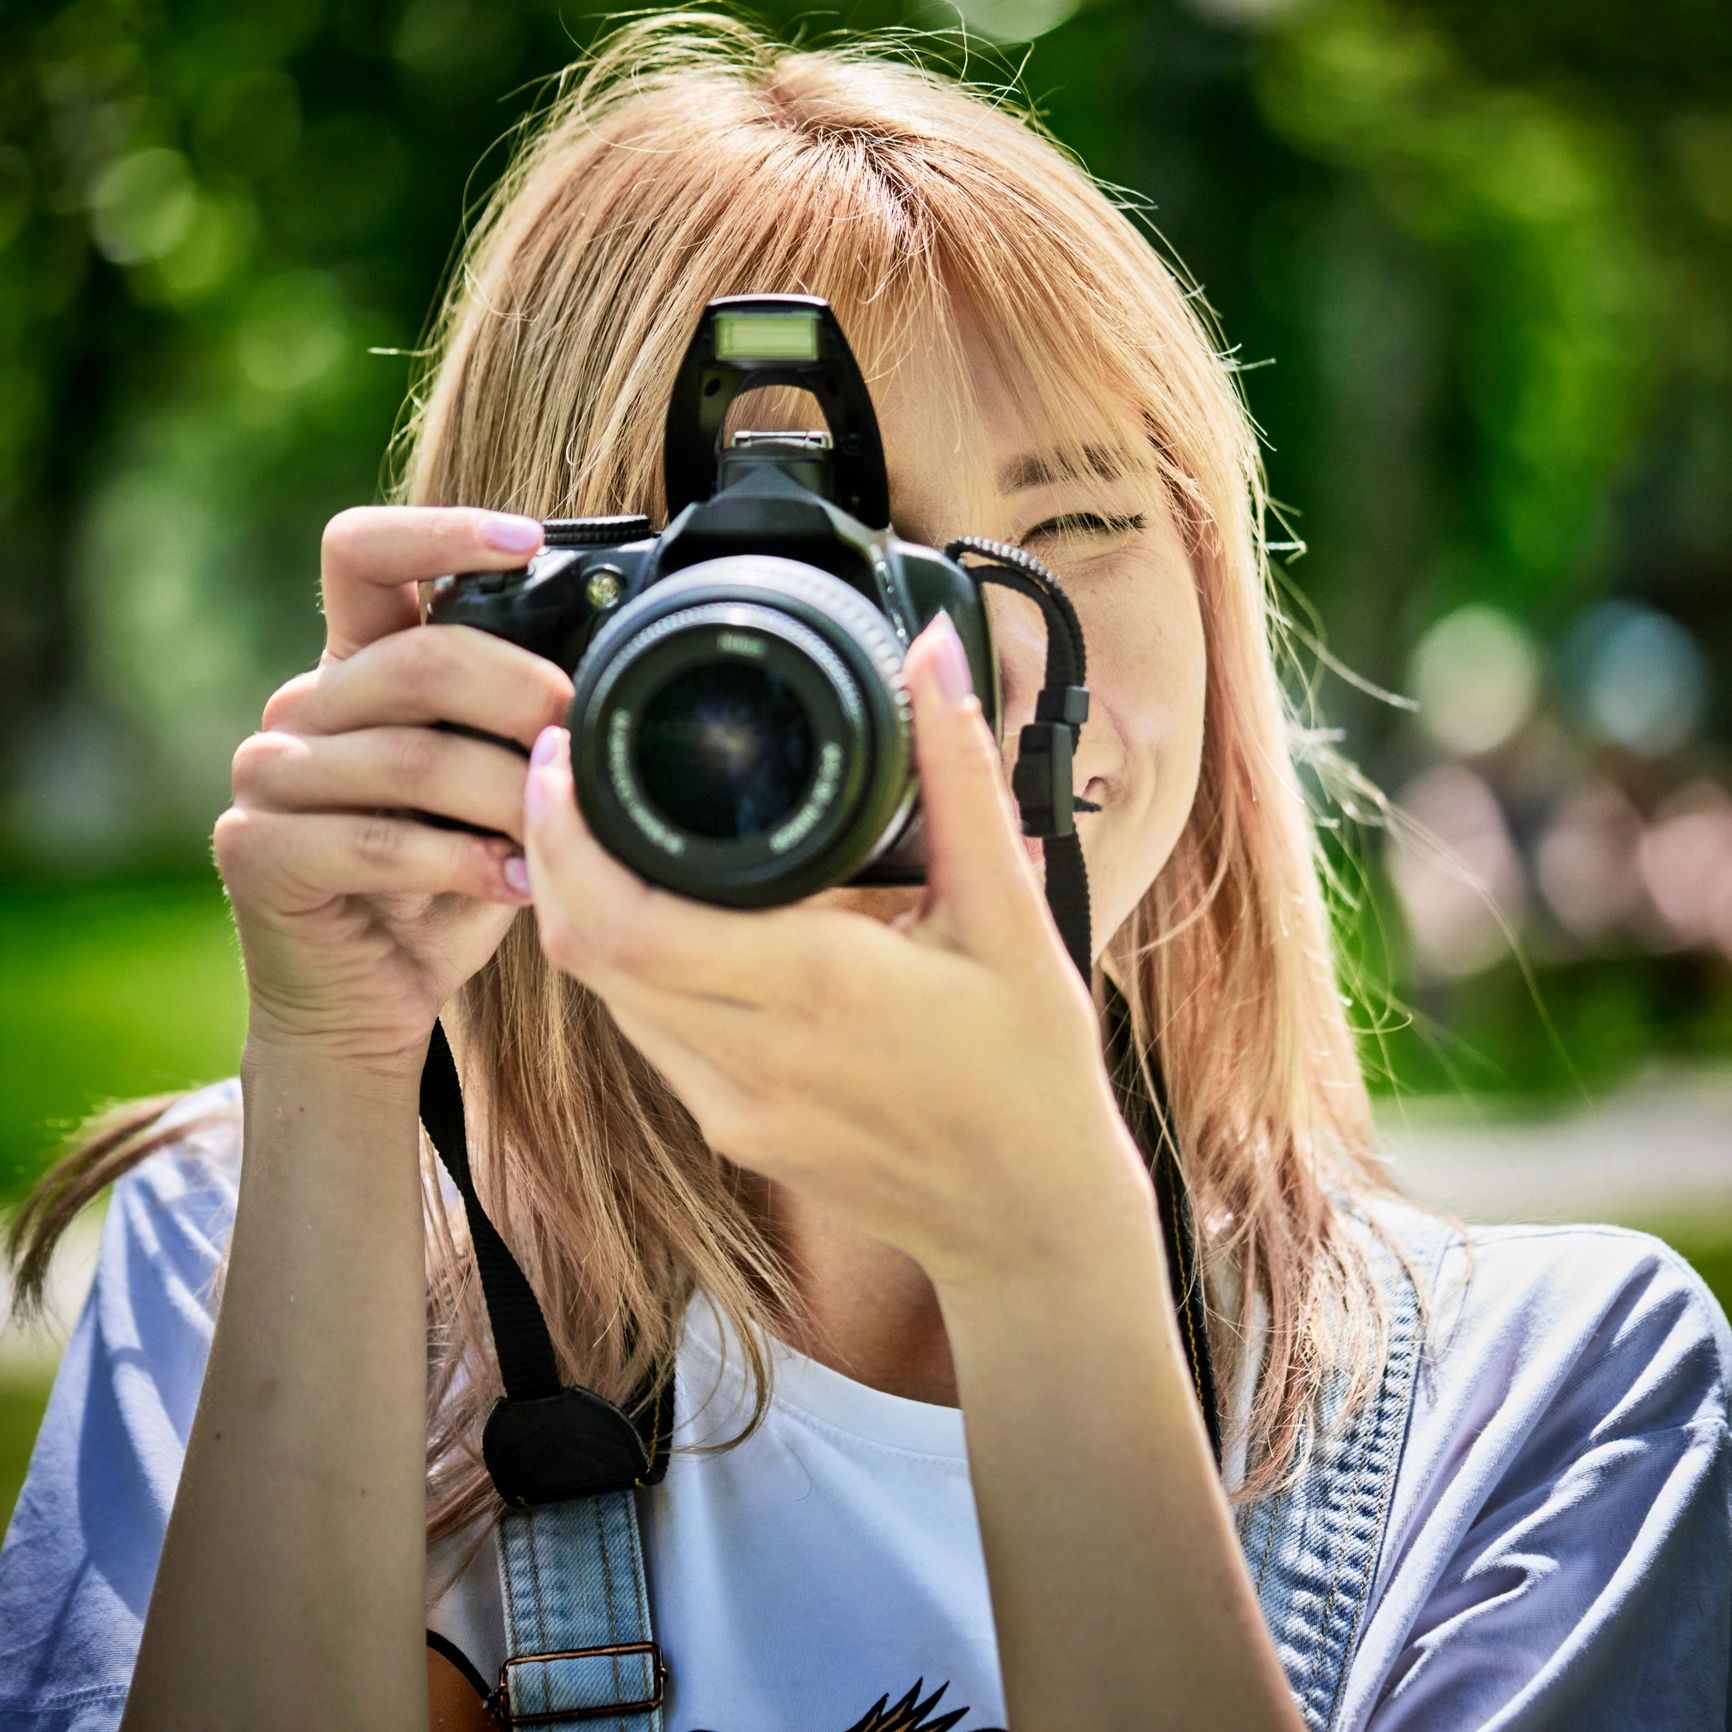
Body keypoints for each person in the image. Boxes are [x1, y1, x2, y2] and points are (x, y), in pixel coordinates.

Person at [3, 15, 1729, 1732]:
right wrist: (340, 1065)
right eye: (820, 573)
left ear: (1210, 581)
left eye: (1077, 527)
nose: (966, 673)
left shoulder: (1553, 1404)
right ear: (544, 637)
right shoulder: (240, 1261)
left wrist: (1046, 1261)